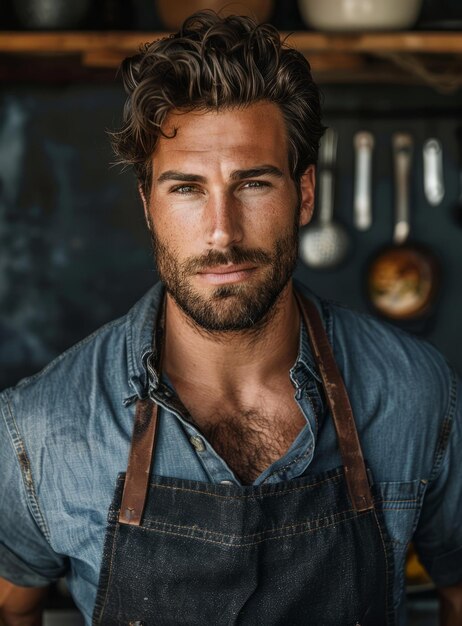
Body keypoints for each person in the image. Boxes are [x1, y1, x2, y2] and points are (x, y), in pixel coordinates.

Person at [0, 10, 461, 626]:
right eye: (187, 188)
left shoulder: (414, 394)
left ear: (305, 194)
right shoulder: (41, 429)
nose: (222, 231)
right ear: (148, 204)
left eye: (254, 183)